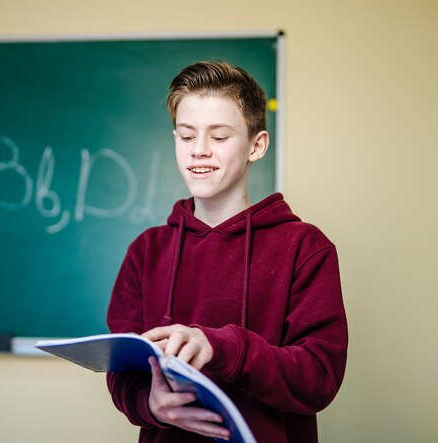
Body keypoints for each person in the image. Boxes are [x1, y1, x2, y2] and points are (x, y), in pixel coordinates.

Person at [106, 61, 348, 443]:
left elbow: (319, 377)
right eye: (186, 137)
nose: (199, 151)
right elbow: (123, 371)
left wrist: (225, 347)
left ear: (257, 145)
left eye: (219, 137)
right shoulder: (146, 251)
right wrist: (148, 405)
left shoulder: (305, 248)